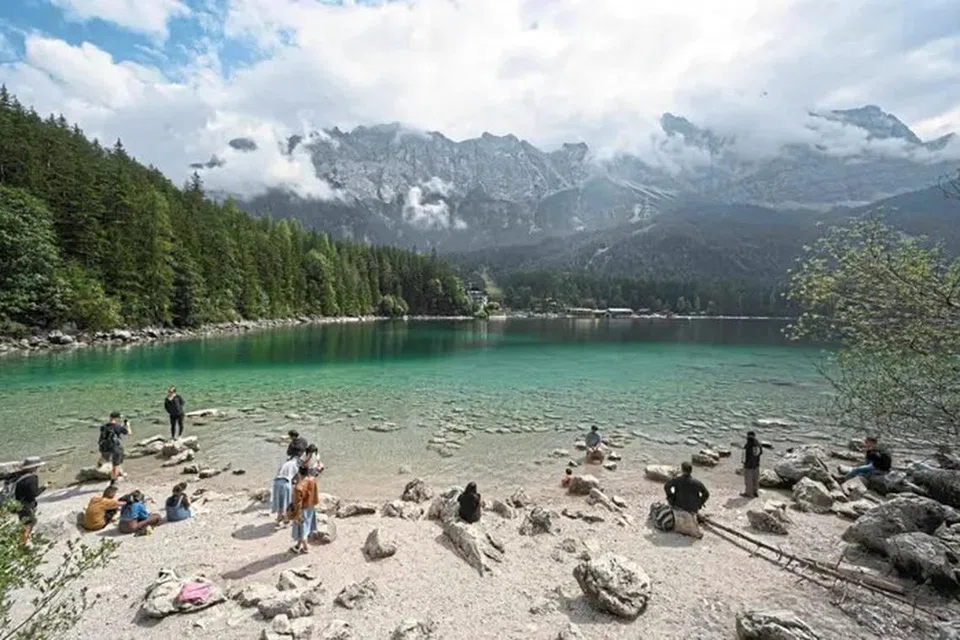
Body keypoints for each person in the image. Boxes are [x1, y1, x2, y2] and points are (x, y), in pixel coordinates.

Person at [664, 462, 710, 539]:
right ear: (691, 471)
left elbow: (666, 487)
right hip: (693, 508)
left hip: (678, 505)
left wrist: (671, 497)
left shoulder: (676, 480)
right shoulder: (697, 482)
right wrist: (700, 503)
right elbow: (706, 494)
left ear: (682, 470)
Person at [10, 457, 45, 545]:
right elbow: (34, 493)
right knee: (28, 526)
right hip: (27, 506)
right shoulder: (32, 478)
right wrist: (45, 487)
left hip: (17, 505)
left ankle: (22, 542)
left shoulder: (19, 477)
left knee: (24, 524)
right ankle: (23, 546)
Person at [290, 465, 319, 554]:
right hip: (311, 506)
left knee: (302, 528)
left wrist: (297, 515)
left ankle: (306, 547)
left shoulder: (298, 487)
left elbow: (298, 503)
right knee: (305, 527)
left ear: (299, 473)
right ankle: (298, 546)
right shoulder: (313, 481)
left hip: (303, 509)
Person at [98, 412, 131, 483]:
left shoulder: (104, 426)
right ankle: (113, 481)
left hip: (105, 447)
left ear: (110, 417)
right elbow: (129, 433)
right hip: (115, 447)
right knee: (116, 465)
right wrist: (128, 425)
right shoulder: (118, 427)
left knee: (105, 457)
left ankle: (100, 464)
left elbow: (110, 430)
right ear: (117, 418)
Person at [272, 455, 300, 526]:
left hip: (276, 483)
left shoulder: (284, 463)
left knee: (280, 502)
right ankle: (286, 520)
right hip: (285, 483)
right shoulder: (296, 464)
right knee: (287, 502)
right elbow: (297, 478)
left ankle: (278, 518)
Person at [741, 431, 763, 498]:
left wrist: (743, 463)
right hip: (756, 465)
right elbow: (760, 453)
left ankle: (748, 493)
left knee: (748, 480)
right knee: (755, 479)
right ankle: (755, 492)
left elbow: (744, 457)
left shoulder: (747, 445)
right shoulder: (758, 445)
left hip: (748, 466)